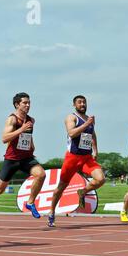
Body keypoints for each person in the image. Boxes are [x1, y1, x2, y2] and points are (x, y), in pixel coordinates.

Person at [0, 93, 46, 223]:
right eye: (25, 103)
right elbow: (4, 138)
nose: (28, 105)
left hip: (26, 158)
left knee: (41, 174)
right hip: (12, 160)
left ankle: (30, 203)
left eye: (29, 102)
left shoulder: (31, 120)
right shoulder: (12, 120)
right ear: (17, 104)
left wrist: (32, 147)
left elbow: (28, 136)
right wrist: (21, 129)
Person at [48, 95, 105, 227]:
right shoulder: (71, 117)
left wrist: (95, 149)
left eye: (84, 102)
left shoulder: (89, 119)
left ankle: (82, 192)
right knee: (61, 187)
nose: (83, 104)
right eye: (79, 102)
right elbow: (72, 133)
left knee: (101, 179)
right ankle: (51, 212)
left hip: (86, 158)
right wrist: (86, 124)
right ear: (74, 105)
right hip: (72, 158)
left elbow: (92, 134)